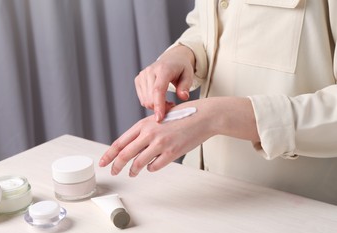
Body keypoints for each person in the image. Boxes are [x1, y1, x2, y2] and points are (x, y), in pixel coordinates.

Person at [99, 0, 337, 205]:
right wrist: (183, 53)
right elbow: (209, 24)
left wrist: (215, 117)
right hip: (201, 187)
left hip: (298, 207)